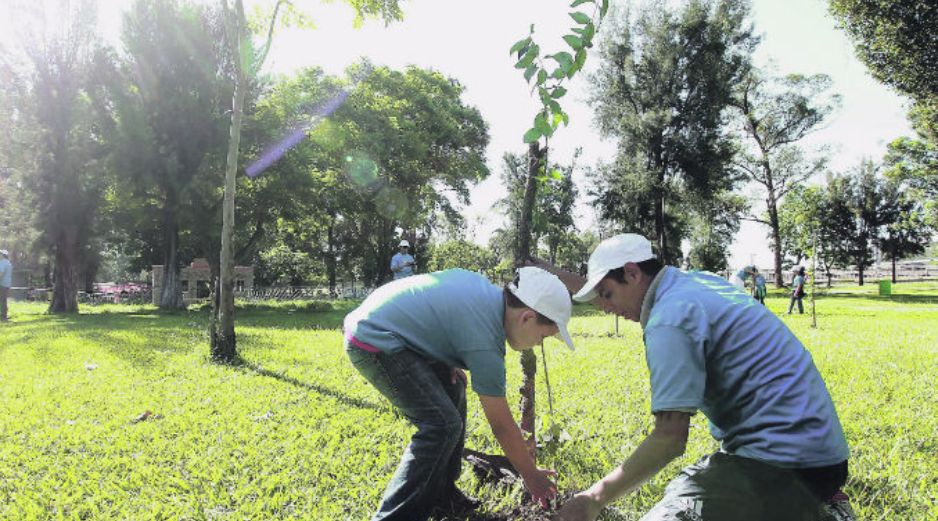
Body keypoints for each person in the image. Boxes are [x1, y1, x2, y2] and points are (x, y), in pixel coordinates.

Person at [532, 233, 852, 521]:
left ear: (632, 272)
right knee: (685, 487)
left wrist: (592, 499)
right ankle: (813, 503)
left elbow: (670, 438)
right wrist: (553, 273)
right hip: (819, 454)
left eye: (607, 294)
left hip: (785, 467)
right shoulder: (696, 285)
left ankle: (816, 510)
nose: (605, 307)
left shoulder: (669, 318)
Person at [344, 267, 574, 521]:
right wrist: (531, 476)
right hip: (375, 339)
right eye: (543, 336)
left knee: (454, 389)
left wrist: (444, 354)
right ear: (527, 318)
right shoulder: (486, 340)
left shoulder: (487, 299)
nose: (539, 343)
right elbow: (501, 424)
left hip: (388, 329)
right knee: (441, 425)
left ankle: (441, 493)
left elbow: (442, 311)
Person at [0, 249, 11, 322]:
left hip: (2, 284)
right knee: (4, 300)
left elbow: (1, 273)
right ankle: (4, 315)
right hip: (7, 284)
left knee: (2, 300)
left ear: (2, 255)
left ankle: (3, 316)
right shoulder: (8, 263)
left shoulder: (2, 263)